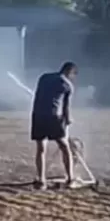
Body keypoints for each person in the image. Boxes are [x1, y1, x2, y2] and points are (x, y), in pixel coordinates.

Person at [31, 61, 78, 189]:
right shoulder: (68, 85)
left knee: (41, 148)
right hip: (54, 118)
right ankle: (71, 178)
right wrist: (68, 120)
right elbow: (66, 107)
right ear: (70, 72)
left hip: (38, 115)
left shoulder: (44, 77)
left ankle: (41, 180)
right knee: (65, 147)